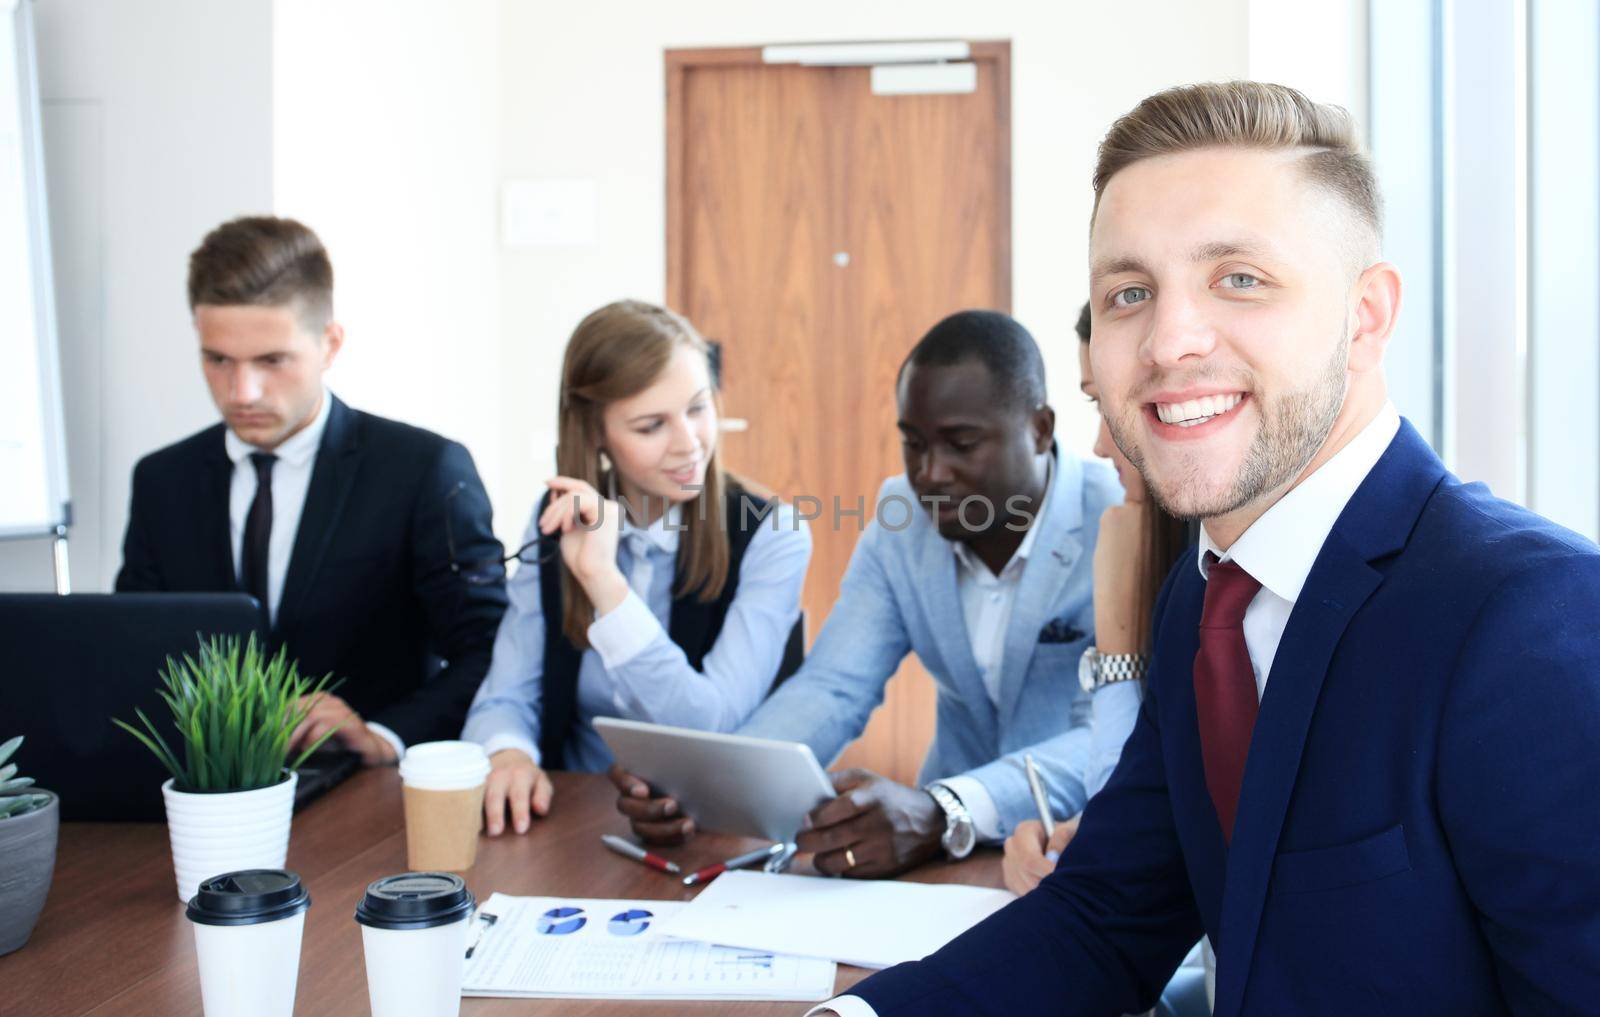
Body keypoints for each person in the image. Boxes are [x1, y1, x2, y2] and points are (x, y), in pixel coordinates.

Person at [816, 81, 1600, 1016]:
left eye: (1240, 278)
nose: (1168, 342)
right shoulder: (1204, 600)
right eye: (1129, 292)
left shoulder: (1528, 614)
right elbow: (1109, 914)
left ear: (1366, 316)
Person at [613, 310, 1123, 877]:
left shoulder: (1121, 522)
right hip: (945, 861)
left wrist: (948, 807)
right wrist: (707, 788)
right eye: (913, 444)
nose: (929, 474)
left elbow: (1113, 737)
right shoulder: (902, 517)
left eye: (961, 443)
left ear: (1040, 430)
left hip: (1080, 850)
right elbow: (835, 685)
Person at [117, 216, 508, 764]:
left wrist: (383, 736)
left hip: (367, 799)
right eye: (218, 360)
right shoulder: (162, 481)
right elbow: (129, 651)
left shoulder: (422, 469)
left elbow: (490, 650)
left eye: (272, 361)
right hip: (198, 801)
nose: (242, 391)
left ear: (330, 344)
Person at [461, 300, 811, 835]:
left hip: (713, 831)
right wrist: (507, 752)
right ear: (595, 433)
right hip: (574, 823)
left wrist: (606, 585)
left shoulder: (773, 534)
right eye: (652, 426)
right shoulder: (559, 517)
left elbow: (712, 728)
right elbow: (507, 693)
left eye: (698, 408)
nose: (689, 443)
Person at [1001, 301, 1189, 897]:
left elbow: (1136, 864)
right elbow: (1129, 815)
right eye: (1095, 402)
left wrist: (1117, 632)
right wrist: (1083, 833)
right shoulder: (1157, 550)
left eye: (1112, 406)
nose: (1101, 445)